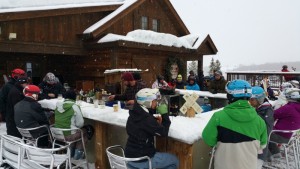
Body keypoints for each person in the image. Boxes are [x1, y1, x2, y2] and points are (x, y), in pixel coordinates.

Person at [202, 80, 267, 169]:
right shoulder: (259, 121)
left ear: (230, 96)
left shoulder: (218, 117)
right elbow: (262, 145)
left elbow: (208, 139)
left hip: (224, 165)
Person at [125, 88, 179, 169]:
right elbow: (163, 133)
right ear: (147, 102)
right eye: (154, 100)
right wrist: (164, 115)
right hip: (142, 159)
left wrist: (154, 121)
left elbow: (143, 124)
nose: (156, 102)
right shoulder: (147, 119)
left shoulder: (133, 113)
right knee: (174, 161)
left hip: (130, 156)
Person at [54, 89, 93, 160]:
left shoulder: (57, 106)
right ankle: (77, 156)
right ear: (74, 97)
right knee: (86, 130)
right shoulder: (74, 106)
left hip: (56, 134)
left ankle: (71, 153)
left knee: (76, 131)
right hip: (68, 136)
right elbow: (80, 124)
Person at [268, 88, 300, 158]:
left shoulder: (289, 108)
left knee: (262, 132)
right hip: (292, 136)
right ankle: (275, 152)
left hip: (282, 136)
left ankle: (268, 155)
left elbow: (273, 115)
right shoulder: (296, 107)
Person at [249, 86, 274, 165]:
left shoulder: (266, 111)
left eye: (252, 100)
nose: (250, 102)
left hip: (260, 144)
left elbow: (266, 130)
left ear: (259, 99)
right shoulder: (261, 109)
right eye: (249, 99)